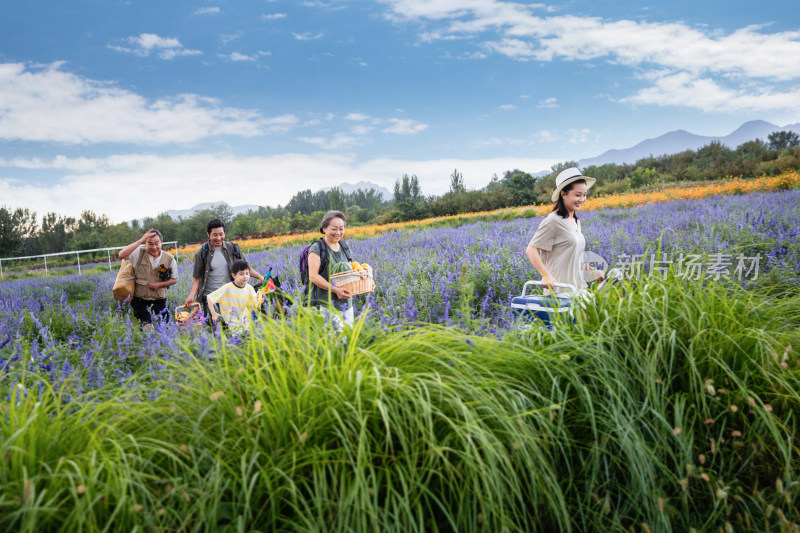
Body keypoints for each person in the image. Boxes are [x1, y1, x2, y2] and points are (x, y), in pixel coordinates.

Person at [526, 167, 604, 294]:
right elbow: (531, 250)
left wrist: (593, 273)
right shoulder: (553, 221)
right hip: (559, 292)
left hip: (579, 290)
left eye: (585, 195)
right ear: (563, 194)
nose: (582, 199)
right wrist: (546, 275)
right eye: (578, 195)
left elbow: (575, 259)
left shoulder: (576, 221)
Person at [184, 218, 264, 320]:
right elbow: (197, 278)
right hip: (211, 299)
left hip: (230, 297)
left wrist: (261, 278)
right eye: (215, 235)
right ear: (208, 234)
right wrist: (191, 297)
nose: (218, 238)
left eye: (221, 234)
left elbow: (247, 269)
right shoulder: (202, 253)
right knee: (215, 330)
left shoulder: (232, 249)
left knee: (236, 327)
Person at [118, 229, 178, 325]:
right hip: (140, 299)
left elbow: (174, 279)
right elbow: (121, 255)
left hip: (160, 299)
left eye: (157, 243)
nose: (154, 247)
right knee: (146, 327)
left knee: (162, 327)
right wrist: (140, 240)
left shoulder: (169, 258)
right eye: (150, 243)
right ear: (144, 244)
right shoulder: (138, 254)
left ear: (161, 243)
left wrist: (160, 284)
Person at [307, 211, 354, 328]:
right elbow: (313, 276)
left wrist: (367, 280)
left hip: (346, 305)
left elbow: (351, 270)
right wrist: (335, 290)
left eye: (341, 228)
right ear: (324, 228)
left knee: (347, 341)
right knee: (331, 342)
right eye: (334, 229)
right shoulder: (318, 248)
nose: (338, 232)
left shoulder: (344, 246)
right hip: (326, 306)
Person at [206, 259, 261, 332]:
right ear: (233, 275)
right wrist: (213, 313)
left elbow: (254, 305)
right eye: (241, 274)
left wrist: (260, 300)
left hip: (246, 324)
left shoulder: (249, 288)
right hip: (231, 325)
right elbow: (209, 298)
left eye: (247, 274)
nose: (245, 276)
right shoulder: (227, 288)